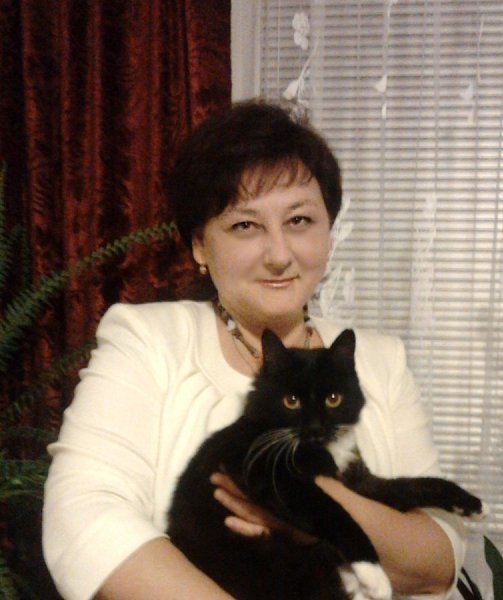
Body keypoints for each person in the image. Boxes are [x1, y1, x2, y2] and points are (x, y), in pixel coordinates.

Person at [42, 101, 466, 600]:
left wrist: (306, 513)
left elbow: (440, 560)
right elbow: (83, 518)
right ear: (199, 246)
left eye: (300, 220)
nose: (279, 254)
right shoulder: (148, 341)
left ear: (329, 233)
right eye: (246, 225)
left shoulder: (380, 361)